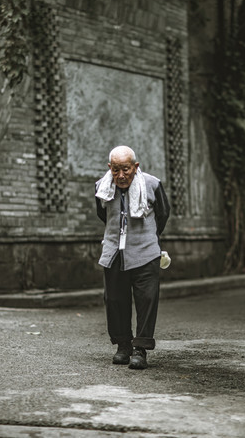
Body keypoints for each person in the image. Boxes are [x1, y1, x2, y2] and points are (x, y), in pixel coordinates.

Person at [95, 145, 170, 370]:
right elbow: (104, 215)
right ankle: (123, 345)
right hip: (114, 252)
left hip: (145, 251)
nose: (120, 176)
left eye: (125, 169)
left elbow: (163, 214)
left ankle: (140, 348)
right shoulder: (101, 187)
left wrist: (149, 237)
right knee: (115, 300)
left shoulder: (152, 184)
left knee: (146, 300)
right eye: (115, 170)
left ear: (135, 167)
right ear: (110, 168)